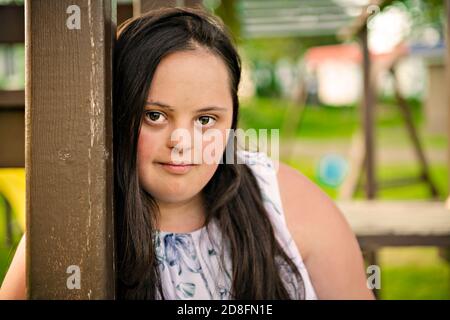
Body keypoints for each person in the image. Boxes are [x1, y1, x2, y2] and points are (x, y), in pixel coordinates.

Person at [0, 6, 374, 300]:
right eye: (155, 115)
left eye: (206, 119)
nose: (183, 141)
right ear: (118, 114)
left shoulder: (283, 200)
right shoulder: (74, 224)